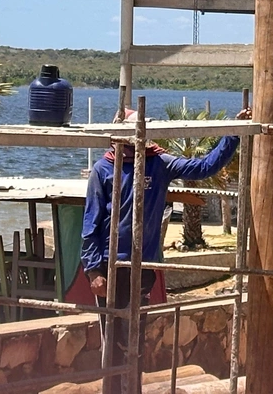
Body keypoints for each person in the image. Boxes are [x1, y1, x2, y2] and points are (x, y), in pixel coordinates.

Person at [80, 108, 250, 363]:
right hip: (109, 265)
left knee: (134, 341)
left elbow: (204, 167)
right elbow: (90, 223)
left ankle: (132, 389)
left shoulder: (157, 163)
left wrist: (233, 134)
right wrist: (94, 270)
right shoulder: (103, 169)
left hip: (142, 263)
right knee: (112, 341)